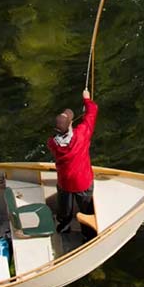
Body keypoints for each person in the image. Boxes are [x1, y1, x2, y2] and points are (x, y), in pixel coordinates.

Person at [46, 88, 98, 240]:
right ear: (70, 125)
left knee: (64, 209)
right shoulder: (81, 134)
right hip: (83, 182)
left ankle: (63, 229)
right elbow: (92, 112)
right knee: (86, 211)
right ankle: (88, 236)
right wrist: (87, 99)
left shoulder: (52, 143)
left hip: (65, 182)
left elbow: (59, 138)